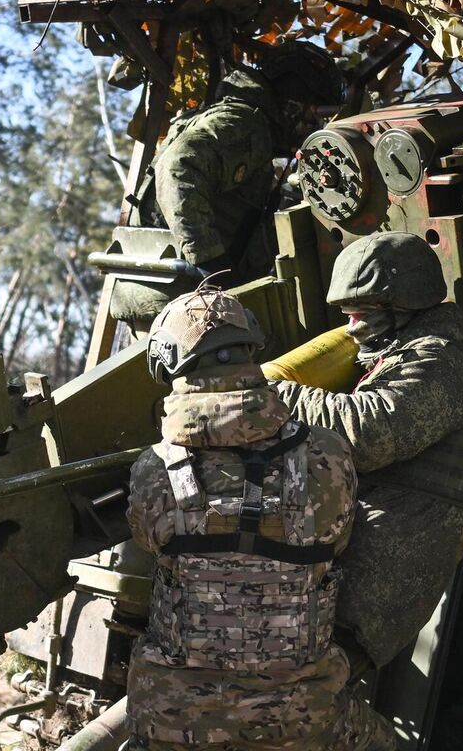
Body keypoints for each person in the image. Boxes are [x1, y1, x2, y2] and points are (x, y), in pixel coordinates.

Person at [126, 288, 394, 749]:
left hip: (172, 720)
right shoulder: (327, 454)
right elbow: (341, 538)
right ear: (252, 348)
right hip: (298, 721)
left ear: (166, 363)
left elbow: (149, 542)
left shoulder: (153, 469)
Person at [272, 231, 463, 674]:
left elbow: (365, 431)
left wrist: (268, 394)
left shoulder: (442, 364)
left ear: (404, 309)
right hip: (343, 587)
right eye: (347, 314)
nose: (352, 328)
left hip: (366, 595)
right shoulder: (399, 357)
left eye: (362, 313)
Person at [131, 40, 343, 283]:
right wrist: (211, 264)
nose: (314, 127)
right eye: (314, 115)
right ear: (294, 105)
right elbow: (177, 167)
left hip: (169, 283)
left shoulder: (250, 128)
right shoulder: (245, 124)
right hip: (180, 289)